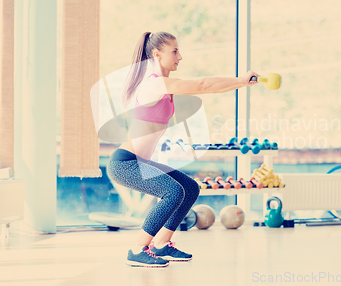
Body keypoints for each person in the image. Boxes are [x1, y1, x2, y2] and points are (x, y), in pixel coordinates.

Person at [106, 31, 259, 268]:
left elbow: (207, 87)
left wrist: (238, 83)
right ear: (157, 54)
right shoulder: (154, 84)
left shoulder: (164, 86)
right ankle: (137, 249)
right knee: (173, 192)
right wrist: (240, 80)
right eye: (174, 51)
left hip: (139, 162)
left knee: (189, 187)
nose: (180, 56)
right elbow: (203, 84)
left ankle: (161, 244)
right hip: (125, 163)